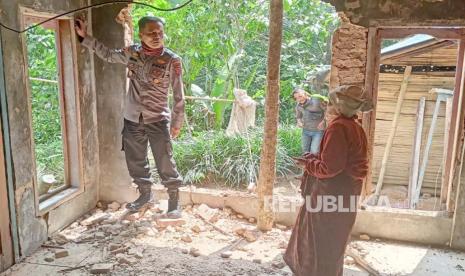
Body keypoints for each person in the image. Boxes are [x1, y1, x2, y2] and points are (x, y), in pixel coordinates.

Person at [75, 16, 184, 217]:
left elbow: (179, 95)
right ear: (141, 35)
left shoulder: (172, 60)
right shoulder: (132, 52)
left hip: (158, 119)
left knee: (165, 160)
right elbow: (108, 54)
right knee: (135, 160)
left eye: (160, 33)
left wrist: (177, 122)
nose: (156, 36)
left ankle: (174, 201)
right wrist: (85, 37)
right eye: (151, 33)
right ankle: (145, 195)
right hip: (132, 118)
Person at [284, 85, 373, 276]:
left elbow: (330, 168)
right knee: (333, 242)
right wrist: (313, 159)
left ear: (341, 105)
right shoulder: (355, 127)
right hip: (346, 193)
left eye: (332, 102)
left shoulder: (339, 127)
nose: (328, 104)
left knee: (319, 243)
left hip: (330, 194)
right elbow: (342, 162)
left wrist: (309, 163)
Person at [292, 87, 326, 154]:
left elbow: (328, 111)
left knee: (314, 152)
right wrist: (299, 122)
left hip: (318, 131)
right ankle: (307, 164)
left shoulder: (316, 101)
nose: (298, 99)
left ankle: (314, 164)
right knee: (305, 151)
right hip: (305, 131)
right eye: (296, 98)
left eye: (300, 96)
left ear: (305, 94)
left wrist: (323, 122)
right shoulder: (298, 106)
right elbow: (298, 116)